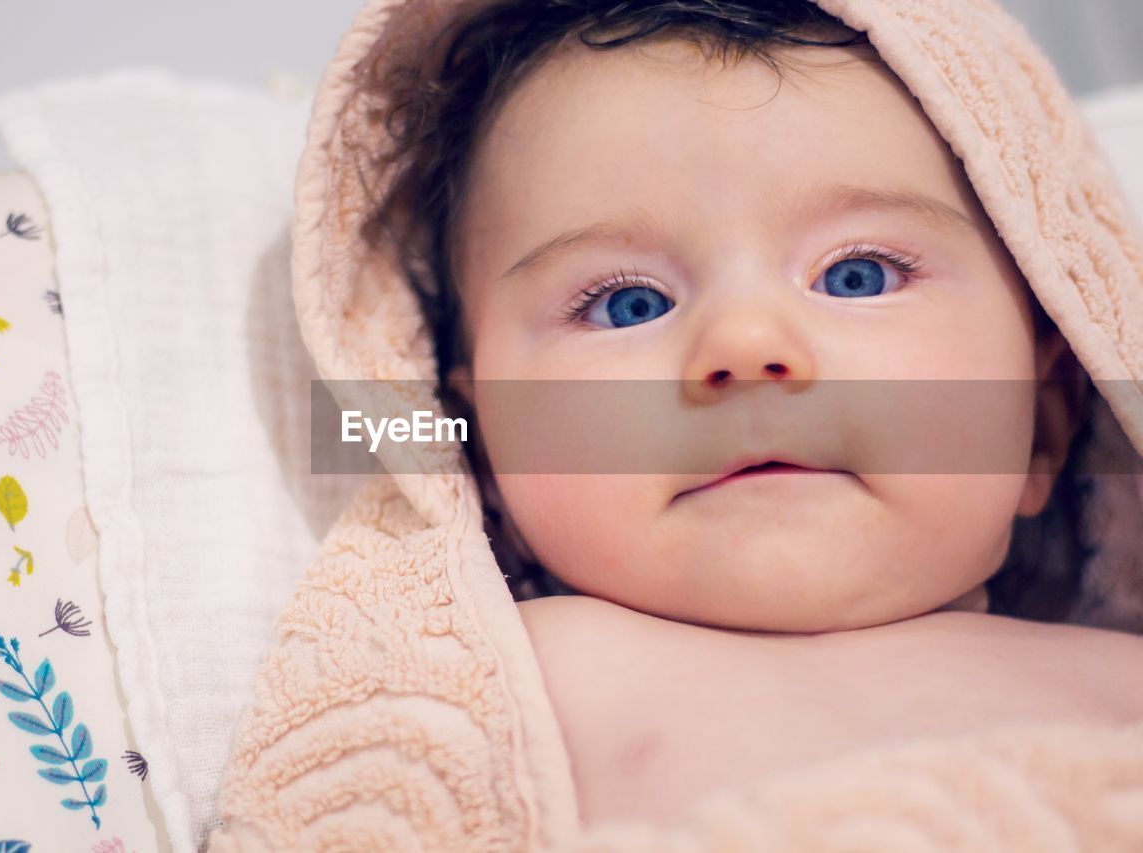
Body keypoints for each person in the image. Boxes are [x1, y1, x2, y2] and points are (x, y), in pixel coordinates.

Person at [368, 0, 1143, 825]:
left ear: (1045, 423)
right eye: (629, 303)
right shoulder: (496, 679)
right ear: (481, 452)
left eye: (859, 275)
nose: (743, 345)